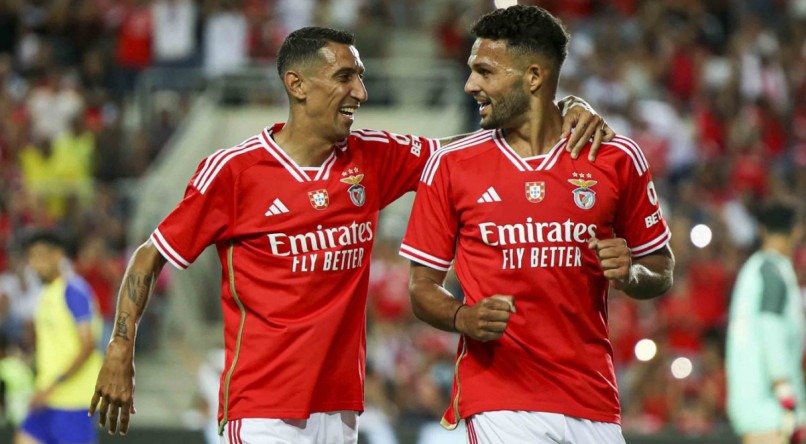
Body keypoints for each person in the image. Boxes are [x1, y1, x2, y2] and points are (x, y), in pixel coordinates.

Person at [88, 26, 613, 442]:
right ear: (297, 85)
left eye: (359, 77)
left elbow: (465, 153)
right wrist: (119, 348)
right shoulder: (233, 172)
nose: (360, 91)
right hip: (263, 407)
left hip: (340, 409)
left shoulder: (373, 157)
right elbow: (149, 256)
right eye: (344, 77)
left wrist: (556, 107)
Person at [400, 6, 675, 443]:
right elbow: (420, 287)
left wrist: (631, 273)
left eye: (484, 72)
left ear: (533, 77)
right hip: (499, 398)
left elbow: (660, 269)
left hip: (593, 400)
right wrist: (461, 316)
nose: (470, 85)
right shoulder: (452, 165)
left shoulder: (615, 158)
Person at [726, 202, 804, 444]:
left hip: (753, 401)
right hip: (770, 406)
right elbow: (771, 327)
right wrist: (784, 391)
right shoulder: (773, 271)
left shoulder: (754, 269)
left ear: (761, 230)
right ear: (797, 231)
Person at [17, 230, 102, 444]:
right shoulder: (47, 294)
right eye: (32, 258)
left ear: (58, 255)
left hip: (73, 401)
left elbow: (87, 346)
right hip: (47, 399)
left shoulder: (73, 291)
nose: (36, 264)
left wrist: (53, 384)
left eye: (41, 256)